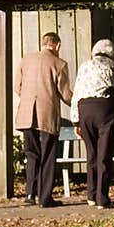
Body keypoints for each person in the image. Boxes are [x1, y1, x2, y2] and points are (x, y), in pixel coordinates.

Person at [70, 38, 114, 209]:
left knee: (91, 154)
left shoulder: (84, 66)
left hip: (85, 110)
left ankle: (90, 195)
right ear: (111, 52)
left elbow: (77, 92)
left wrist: (76, 120)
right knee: (104, 155)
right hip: (105, 110)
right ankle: (101, 198)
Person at [14, 31, 73, 208]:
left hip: (26, 114)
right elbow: (65, 94)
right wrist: (78, 103)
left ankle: (30, 194)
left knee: (31, 154)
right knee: (48, 154)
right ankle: (45, 197)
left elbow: (18, 87)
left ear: (43, 43)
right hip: (46, 114)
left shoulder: (26, 59)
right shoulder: (59, 64)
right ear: (57, 45)